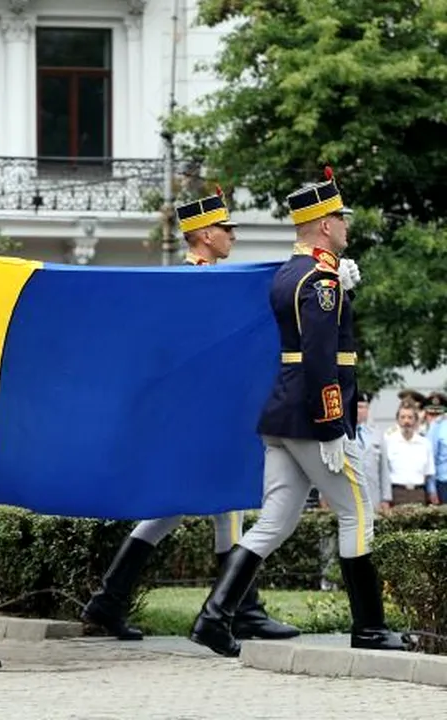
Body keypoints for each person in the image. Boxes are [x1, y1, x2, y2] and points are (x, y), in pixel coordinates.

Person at [189, 167, 406, 657]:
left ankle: (213, 617)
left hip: (283, 417)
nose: (347, 226)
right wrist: (333, 425)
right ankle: (369, 626)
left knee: (274, 522)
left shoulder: (296, 272)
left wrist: (338, 288)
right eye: (341, 218)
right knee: (358, 512)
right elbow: (320, 357)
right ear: (325, 225)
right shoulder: (320, 280)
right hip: (313, 419)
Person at [82, 188, 299, 642]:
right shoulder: (189, 284)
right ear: (203, 234)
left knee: (188, 508)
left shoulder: (210, 281)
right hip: (193, 420)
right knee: (220, 500)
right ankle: (240, 609)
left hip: (200, 418)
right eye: (225, 229)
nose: (232, 237)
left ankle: (110, 600)